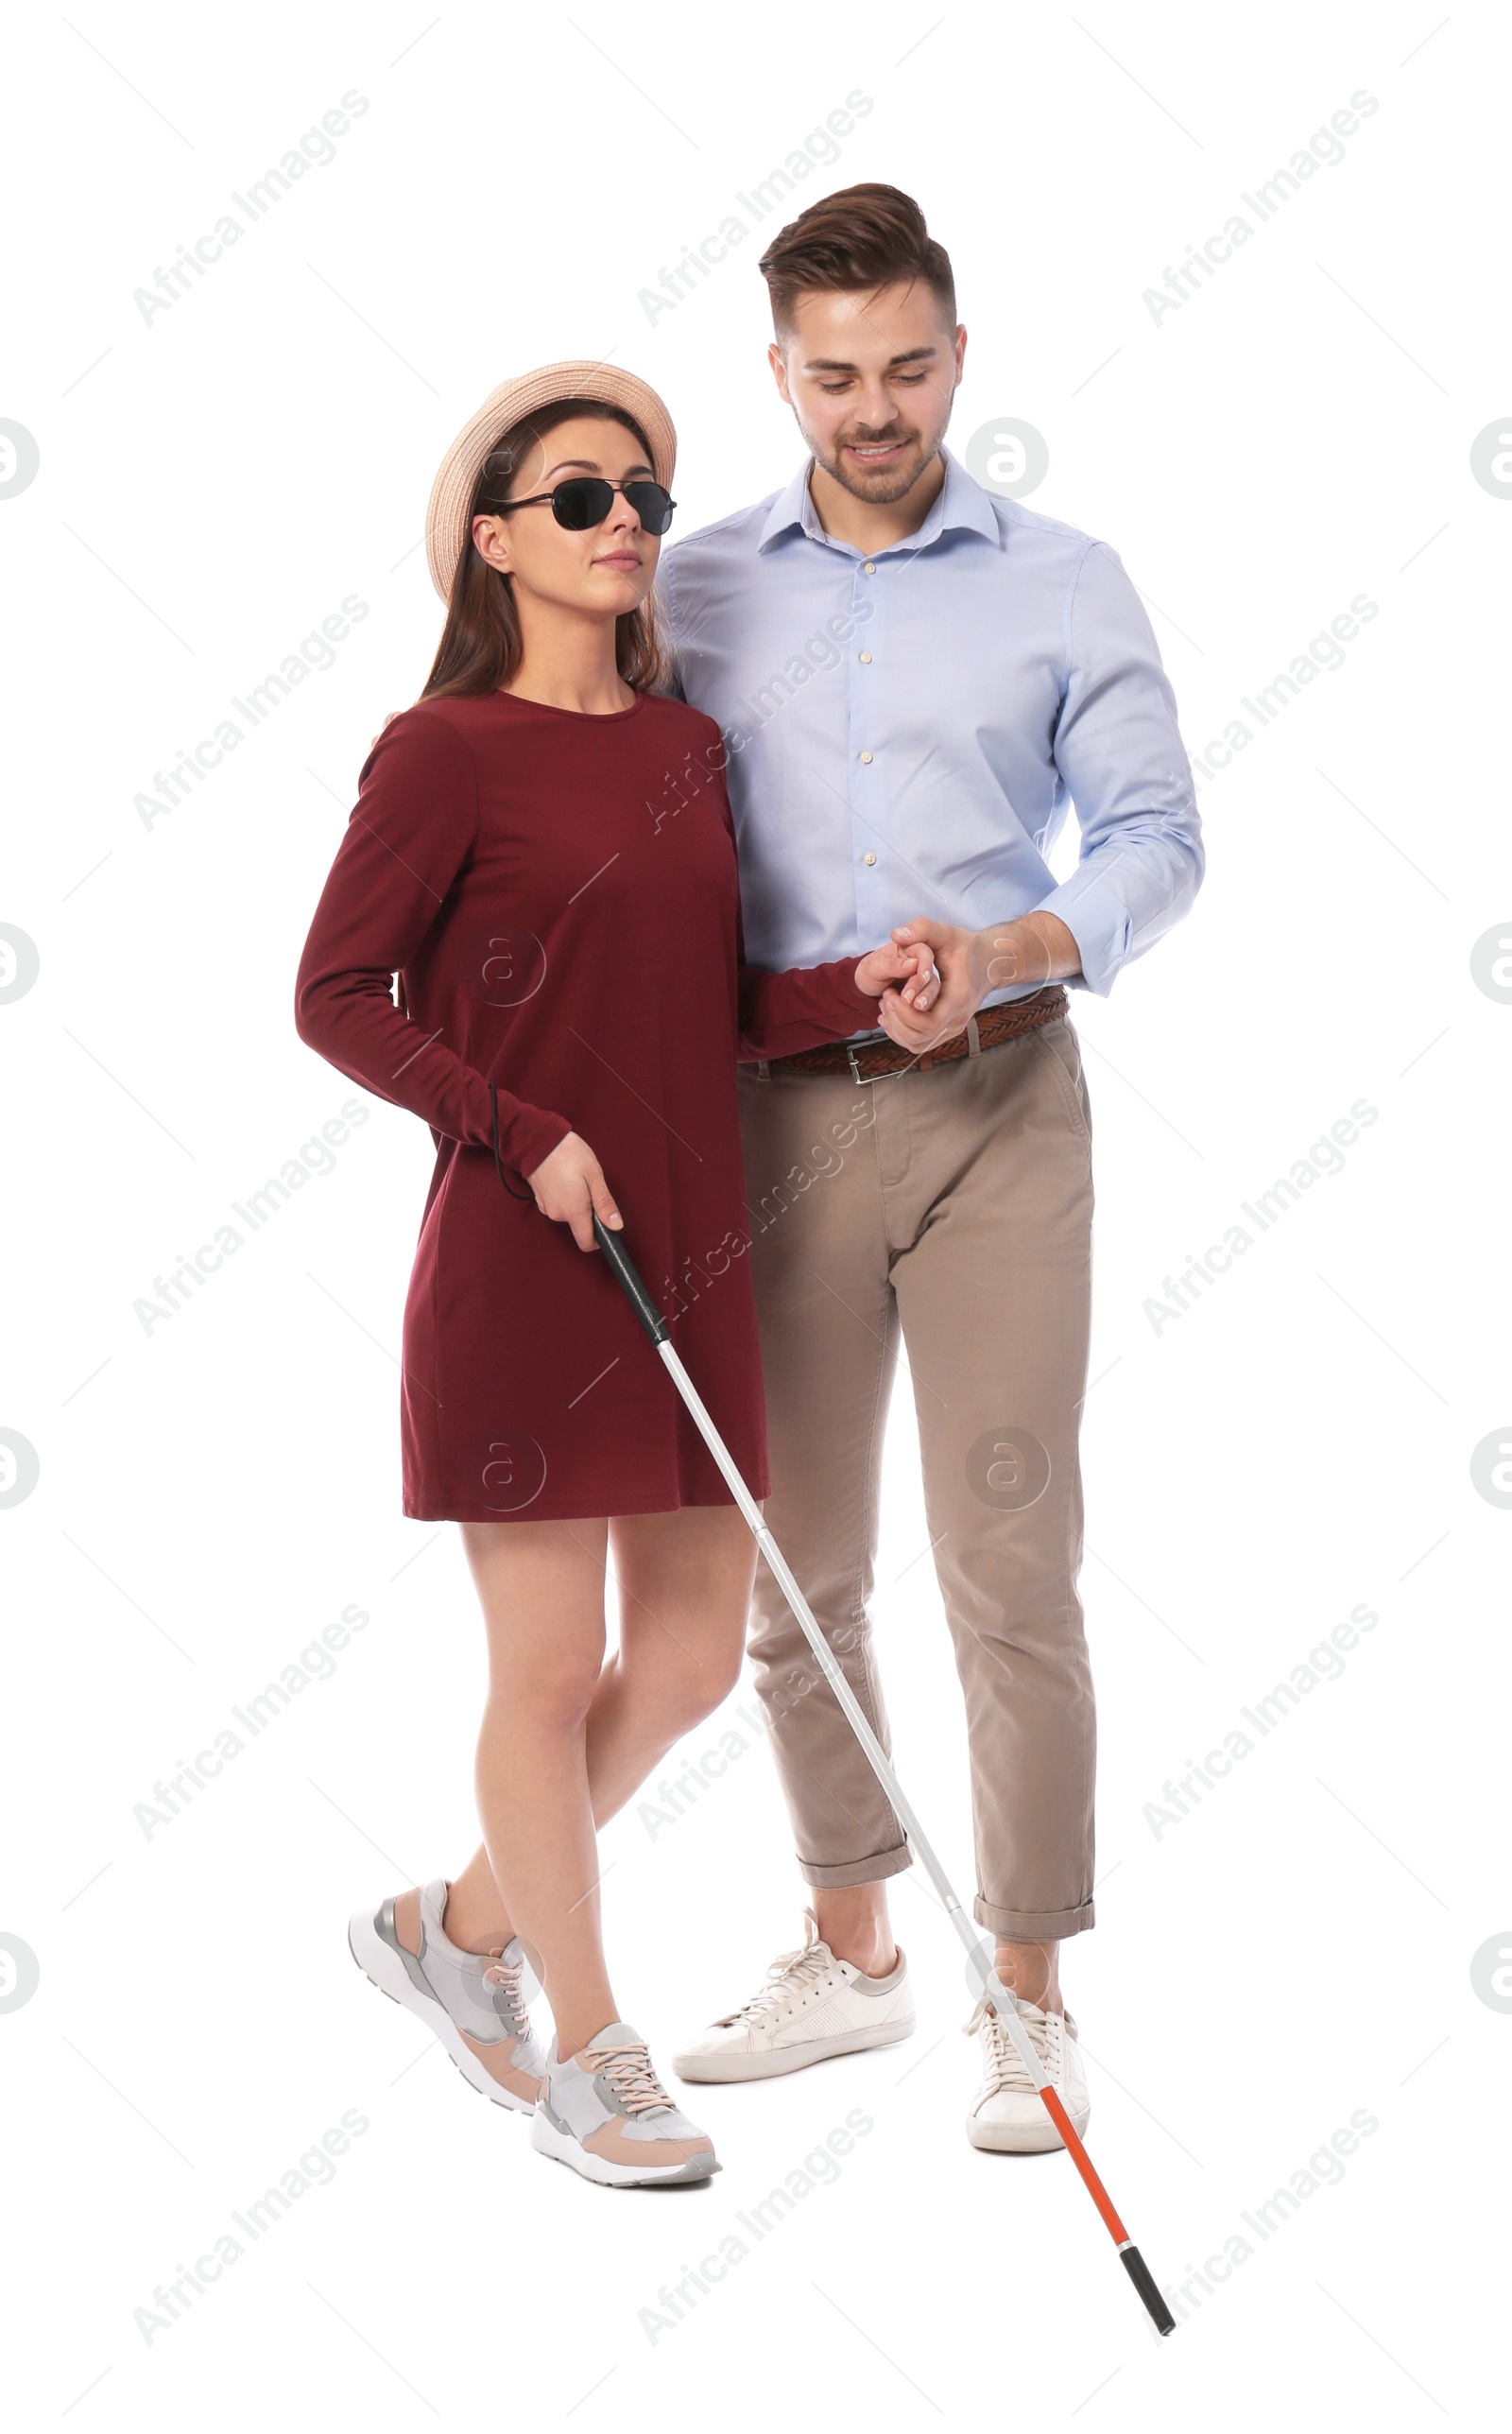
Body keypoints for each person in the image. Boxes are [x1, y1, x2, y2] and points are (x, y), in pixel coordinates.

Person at [292, 362, 938, 2187]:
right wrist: (511, 1125)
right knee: (551, 1664)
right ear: (493, 542)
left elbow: (713, 1006)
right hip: (526, 1258)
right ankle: (584, 2045)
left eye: (643, 492)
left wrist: (852, 999)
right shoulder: (442, 754)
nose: (628, 522)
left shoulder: (681, 749)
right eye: (580, 497)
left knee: (680, 1664)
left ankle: (455, 1935)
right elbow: (336, 996)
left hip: (693, 1252)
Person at [660, 187, 1204, 2152]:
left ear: (954, 355)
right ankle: (853, 1953)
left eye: (903, 367)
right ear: (778, 372)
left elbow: (1153, 835)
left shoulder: (1064, 579)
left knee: (1005, 1559)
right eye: (832, 375)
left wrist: (1004, 946)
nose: (871, 408)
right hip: (772, 1125)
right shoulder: (695, 587)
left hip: (999, 1108)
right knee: (791, 1573)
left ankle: (1029, 1996)